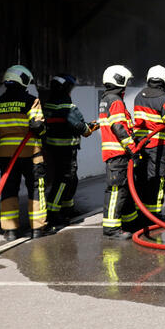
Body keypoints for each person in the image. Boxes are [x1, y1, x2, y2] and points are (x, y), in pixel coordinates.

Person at [0, 64, 50, 240]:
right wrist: (41, 128)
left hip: (6, 156)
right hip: (31, 154)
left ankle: (10, 230)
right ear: (23, 81)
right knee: (36, 190)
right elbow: (40, 129)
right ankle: (37, 229)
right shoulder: (31, 101)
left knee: (8, 190)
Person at [42, 73, 96, 227]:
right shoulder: (68, 107)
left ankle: (68, 208)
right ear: (65, 89)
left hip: (53, 149)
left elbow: (62, 124)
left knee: (70, 179)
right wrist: (90, 127)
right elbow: (81, 128)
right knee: (64, 180)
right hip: (66, 150)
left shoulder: (49, 104)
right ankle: (53, 212)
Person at [132, 65, 165, 223]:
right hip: (159, 146)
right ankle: (154, 213)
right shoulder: (163, 98)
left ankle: (140, 211)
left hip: (140, 144)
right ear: (164, 80)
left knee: (141, 178)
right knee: (159, 178)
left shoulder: (139, 96)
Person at [98, 65, 139, 240]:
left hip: (116, 153)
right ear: (119, 80)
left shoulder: (107, 99)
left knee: (125, 189)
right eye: (125, 82)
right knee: (116, 190)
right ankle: (111, 228)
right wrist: (131, 147)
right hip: (118, 153)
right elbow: (118, 126)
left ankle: (130, 222)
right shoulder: (115, 101)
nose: (126, 86)